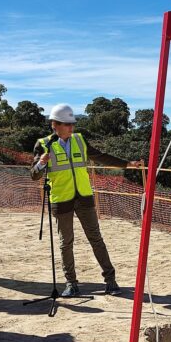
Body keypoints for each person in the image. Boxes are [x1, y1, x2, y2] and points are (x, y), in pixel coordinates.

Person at [30, 103, 143, 297]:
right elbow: (33, 175)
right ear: (54, 124)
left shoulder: (79, 140)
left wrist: (127, 164)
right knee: (66, 243)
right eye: (67, 124)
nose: (72, 128)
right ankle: (71, 284)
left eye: (72, 124)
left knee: (96, 239)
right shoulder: (43, 144)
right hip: (61, 199)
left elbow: (101, 157)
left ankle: (111, 281)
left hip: (84, 197)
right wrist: (41, 164)